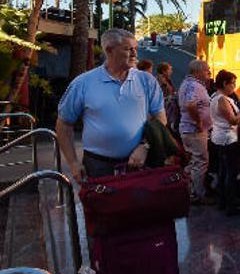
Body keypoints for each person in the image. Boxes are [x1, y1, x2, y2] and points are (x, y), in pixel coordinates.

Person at [56, 29, 166, 178]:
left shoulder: (146, 80)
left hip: (139, 162)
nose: (135, 54)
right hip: (97, 166)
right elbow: (63, 124)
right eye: (128, 49)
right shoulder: (83, 83)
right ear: (109, 50)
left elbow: (160, 119)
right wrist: (73, 163)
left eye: (135, 48)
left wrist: (145, 146)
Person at [210, 70, 240, 215]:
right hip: (227, 139)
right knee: (230, 172)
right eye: (233, 83)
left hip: (220, 137)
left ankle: (223, 201)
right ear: (224, 83)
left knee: (223, 171)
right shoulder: (222, 99)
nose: (234, 86)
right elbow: (233, 120)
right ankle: (230, 204)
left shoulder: (215, 97)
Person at [179, 59, 215, 204]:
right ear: (198, 71)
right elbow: (190, 104)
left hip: (188, 129)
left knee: (194, 162)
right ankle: (198, 195)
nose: (209, 73)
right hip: (194, 131)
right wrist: (199, 122)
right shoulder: (195, 86)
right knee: (201, 163)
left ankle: (191, 189)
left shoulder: (187, 84)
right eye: (207, 70)